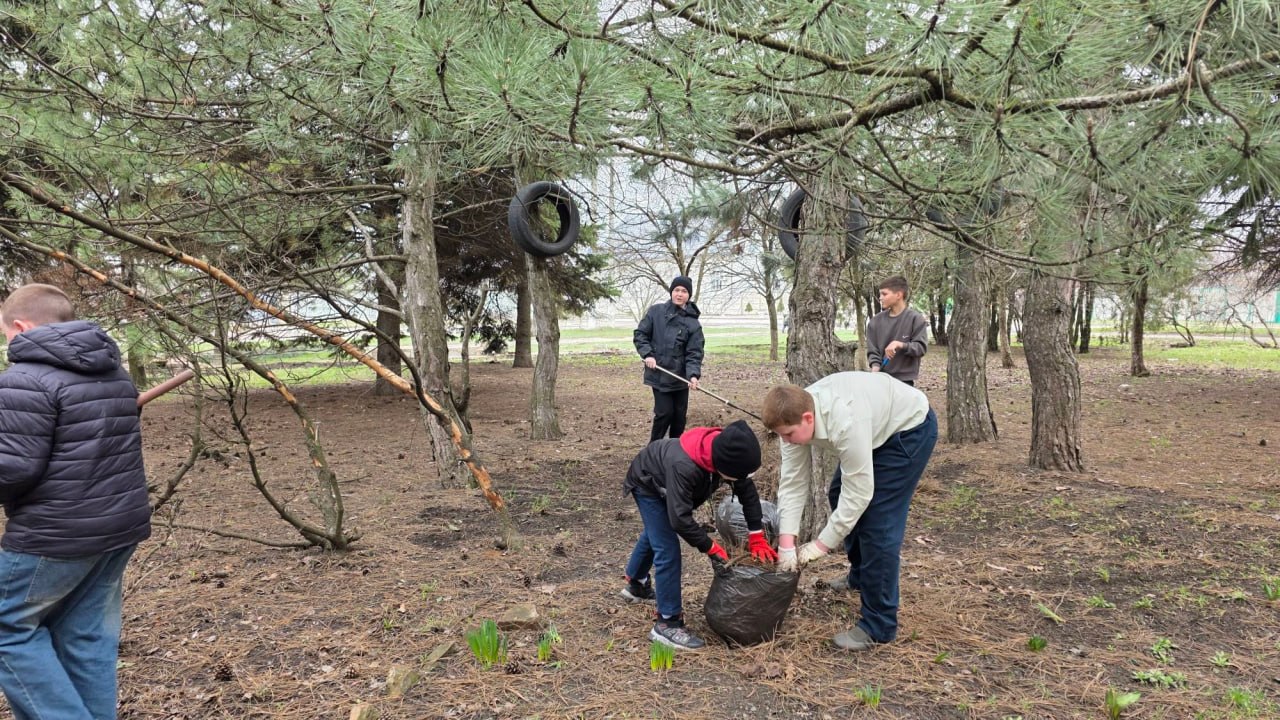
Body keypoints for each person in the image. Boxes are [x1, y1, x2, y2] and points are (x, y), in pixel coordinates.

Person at [0, 283, 152, 719]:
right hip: (117, 529)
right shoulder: (114, 374)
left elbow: (14, 469)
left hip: (56, 536)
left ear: (22, 327)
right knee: (84, 635)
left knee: (8, 628)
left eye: (6, 334)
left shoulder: (23, 381)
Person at [763, 373, 937, 651]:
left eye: (789, 435)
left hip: (908, 430)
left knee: (879, 524)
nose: (788, 441)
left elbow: (858, 494)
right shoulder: (791, 417)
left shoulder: (845, 420)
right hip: (875, 428)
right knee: (836, 494)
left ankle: (878, 625)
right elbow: (793, 484)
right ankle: (860, 576)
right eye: (782, 436)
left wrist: (820, 546)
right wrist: (787, 543)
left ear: (809, 418)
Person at [621, 419, 777, 650]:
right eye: (739, 475)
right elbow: (680, 520)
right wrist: (710, 547)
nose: (741, 479)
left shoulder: (726, 454)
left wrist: (756, 534)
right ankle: (667, 623)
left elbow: (748, 493)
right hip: (648, 485)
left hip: (667, 484)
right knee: (667, 547)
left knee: (656, 533)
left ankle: (635, 583)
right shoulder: (685, 465)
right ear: (723, 466)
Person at [634, 275, 704, 442]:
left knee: (679, 418)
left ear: (689, 295)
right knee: (664, 413)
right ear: (671, 292)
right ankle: (653, 449)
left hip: (679, 378)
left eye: (684, 291)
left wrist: (693, 375)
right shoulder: (656, 312)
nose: (679, 294)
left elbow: (694, 352)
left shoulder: (693, 323)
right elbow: (640, 335)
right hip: (659, 373)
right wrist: (648, 354)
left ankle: (674, 452)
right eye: (676, 290)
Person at [865, 275, 929, 385]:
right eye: (880, 294)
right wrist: (875, 368)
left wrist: (900, 344)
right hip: (880, 380)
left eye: (884, 294)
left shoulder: (915, 319)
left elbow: (920, 348)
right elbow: (873, 351)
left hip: (905, 382)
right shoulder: (875, 322)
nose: (880, 298)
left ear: (899, 294)